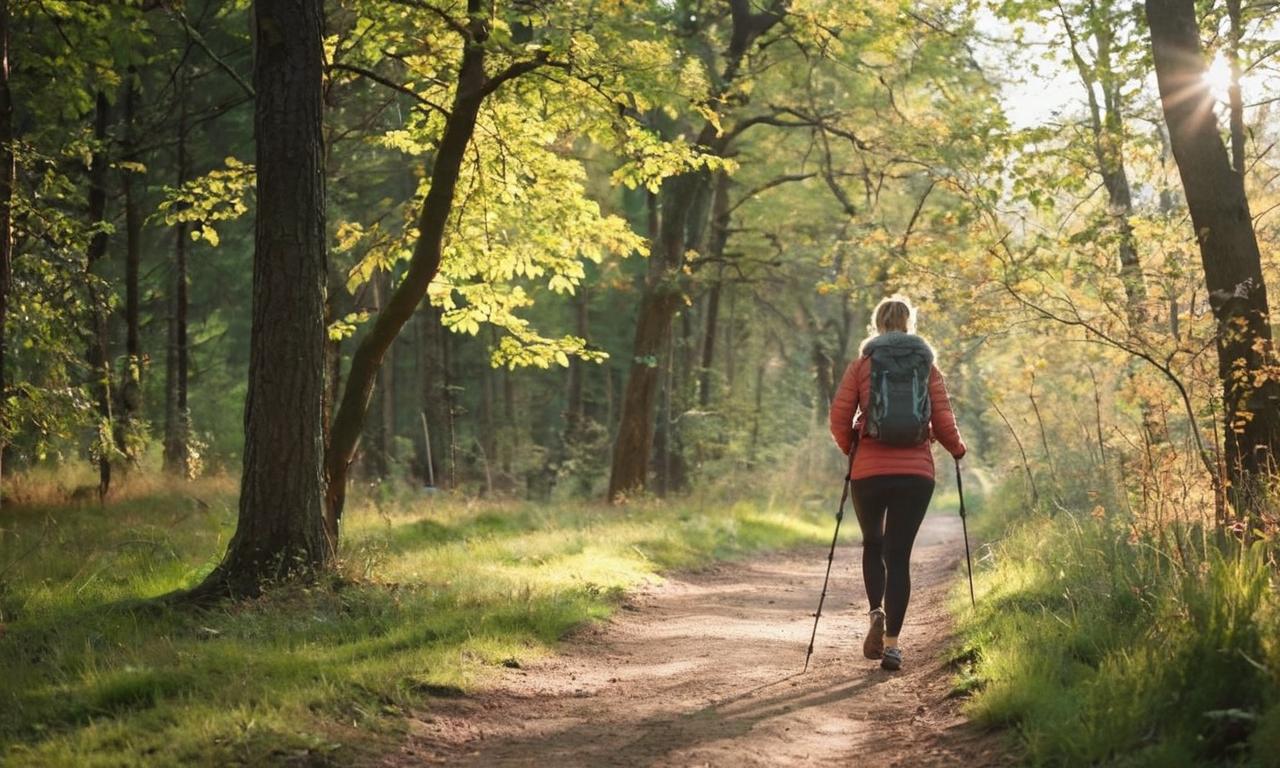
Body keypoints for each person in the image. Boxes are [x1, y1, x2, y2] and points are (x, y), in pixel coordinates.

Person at [828, 296, 966, 672]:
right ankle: (891, 647)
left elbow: (839, 418)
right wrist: (956, 449)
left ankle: (876, 611)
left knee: (873, 544)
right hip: (915, 475)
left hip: (868, 472)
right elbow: (943, 419)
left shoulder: (862, 366)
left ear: (877, 325)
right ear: (909, 324)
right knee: (898, 556)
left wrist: (852, 449)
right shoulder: (928, 368)